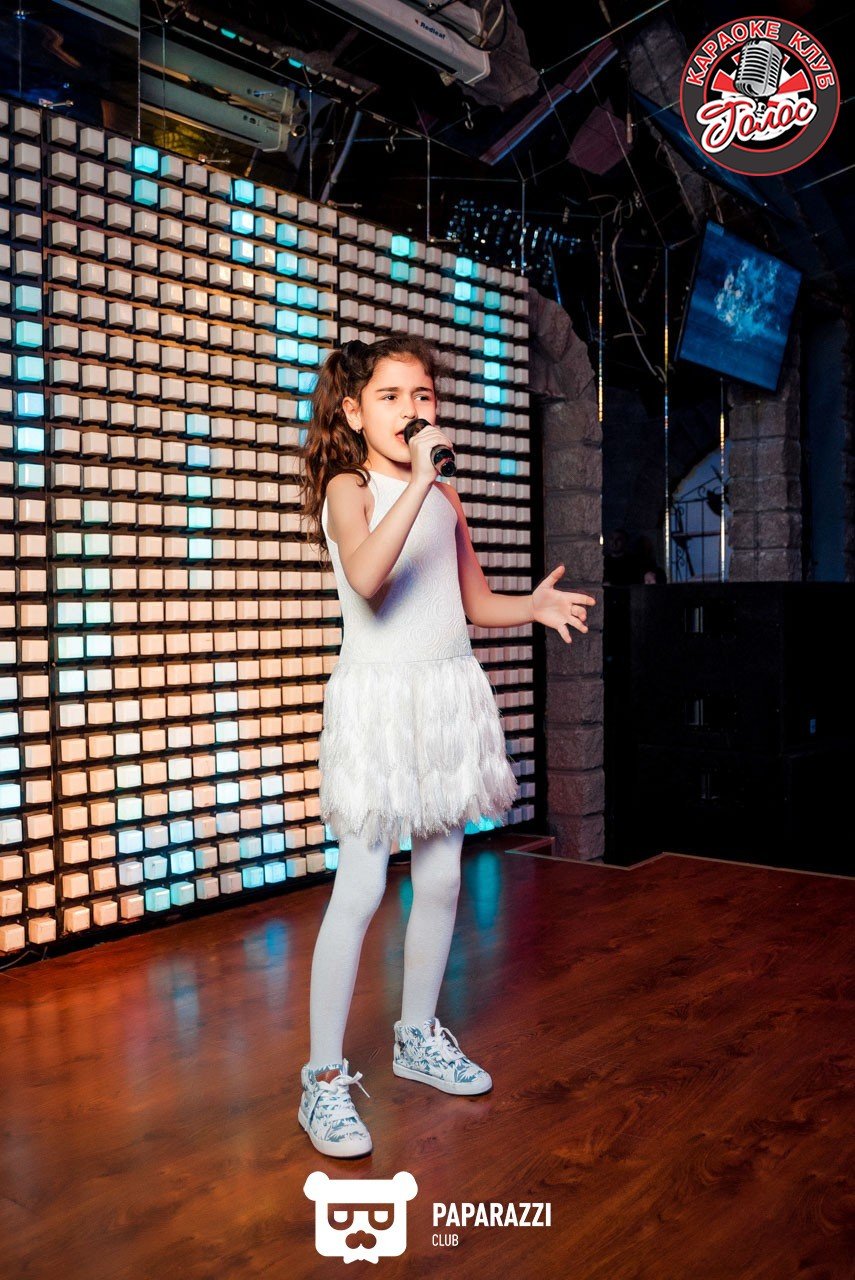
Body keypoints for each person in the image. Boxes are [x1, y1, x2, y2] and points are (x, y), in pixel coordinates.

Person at [297, 334, 596, 1158]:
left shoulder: (446, 499)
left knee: (439, 878)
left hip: (444, 697)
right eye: (391, 396)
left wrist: (527, 607)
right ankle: (322, 1080)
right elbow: (368, 579)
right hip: (378, 703)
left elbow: (469, 602)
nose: (412, 410)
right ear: (353, 413)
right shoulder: (349, 489)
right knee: (361, 886)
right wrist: (422, 481)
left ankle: (417, 1035)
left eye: (422, 395)